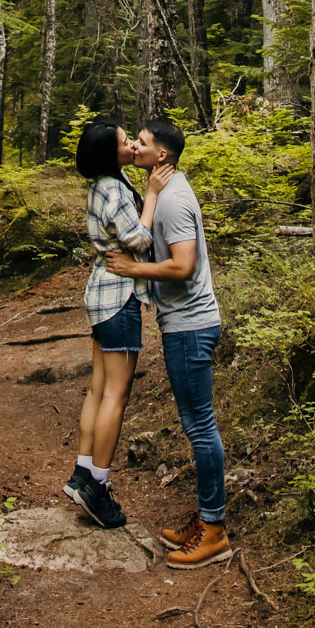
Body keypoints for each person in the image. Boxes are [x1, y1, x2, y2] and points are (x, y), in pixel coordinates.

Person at [107, 115, 230, 566]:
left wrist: (131, 269)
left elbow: (183, 266)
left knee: (200, 427)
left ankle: (215, 531)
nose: (134, 148)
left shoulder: (174, 199)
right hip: (184, 324)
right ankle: (206, 517)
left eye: (140, 143)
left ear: (161, 155)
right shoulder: (166, 191)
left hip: (190, 327)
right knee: (197, 425)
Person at [66, 118, 173, 531]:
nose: (132, 146)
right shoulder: (116, 189)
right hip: (120, 297)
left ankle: (82, 470)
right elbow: (141, 241)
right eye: (125, 142)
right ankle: (98, 485)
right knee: (117, 394)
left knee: (97, 389)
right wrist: (150, 194)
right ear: (109, 154)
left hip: (100, 293)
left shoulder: (101, 183)